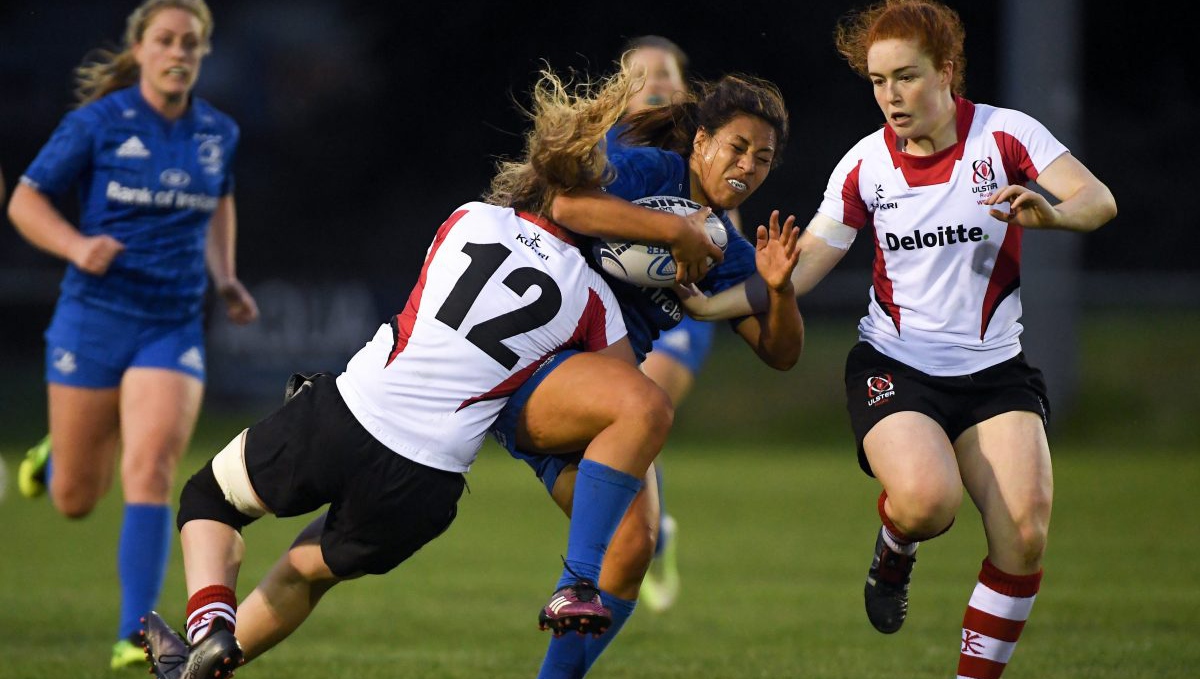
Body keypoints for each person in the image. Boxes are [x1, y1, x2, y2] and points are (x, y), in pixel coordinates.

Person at [138, 63, 759, 679]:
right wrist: (687, 285)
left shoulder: (466, 219)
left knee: (209, 501)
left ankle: (209, 627)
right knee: (305, 570)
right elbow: (621, 382)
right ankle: (193, 668)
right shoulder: (590, 299)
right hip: (426, 487)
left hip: (345, 417)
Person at [690, 1, 1116, 677]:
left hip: (995, 373)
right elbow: (799, 271)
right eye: (879, 80)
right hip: (897, 364)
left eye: (906, 77)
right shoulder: (866, 165)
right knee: (926, 500)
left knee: (1026, 534)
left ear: (947, 72)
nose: (890, 95)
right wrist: (705, 304)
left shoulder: (1005, 137)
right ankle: (896, 545)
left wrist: (1051, 211)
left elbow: (1099, 200)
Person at [490, 69, 801, 678]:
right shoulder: (652, 170)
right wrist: (670, 227)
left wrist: (781, 289)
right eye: (736, 147)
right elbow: (567, 203)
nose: (746, 166)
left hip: (596, 396)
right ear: (702, 141)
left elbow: (780, 351)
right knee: (647, 406)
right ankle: (575, 582)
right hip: (546, 364)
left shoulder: (727, 249)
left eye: (762, 160)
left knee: (634, 547)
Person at [6, 0, 259, 669]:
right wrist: (74, 243)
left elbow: (219, 200)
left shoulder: (217, 131)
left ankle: (134, 631)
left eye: (191, 44)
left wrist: (226, 278)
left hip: (171, 324)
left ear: (201, 55)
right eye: (166, 41)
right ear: (141, 49)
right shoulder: (97, 123)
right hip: (92, 319)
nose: (178, 53)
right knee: (76, 497)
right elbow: (24, 200)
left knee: (149, 469)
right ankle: (56, 455)